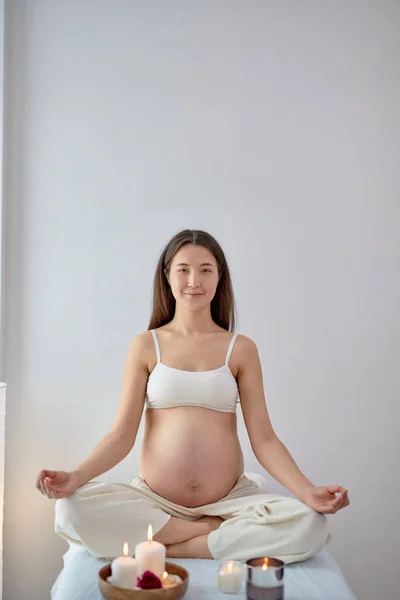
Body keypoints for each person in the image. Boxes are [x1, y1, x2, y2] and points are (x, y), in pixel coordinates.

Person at [36, 229, 349, 563]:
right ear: (167, 276)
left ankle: (170, 548)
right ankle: (206, 532)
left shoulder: (240, 348)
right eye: (183, 269)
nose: (194, 280)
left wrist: (306, 491)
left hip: (229, 501)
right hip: (157, 502)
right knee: (69, 511)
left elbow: (265, 440)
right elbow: (121, 435)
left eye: (205, 269)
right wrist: (76, 477)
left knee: (311, 524)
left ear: (219, 278)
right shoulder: (146, 345)